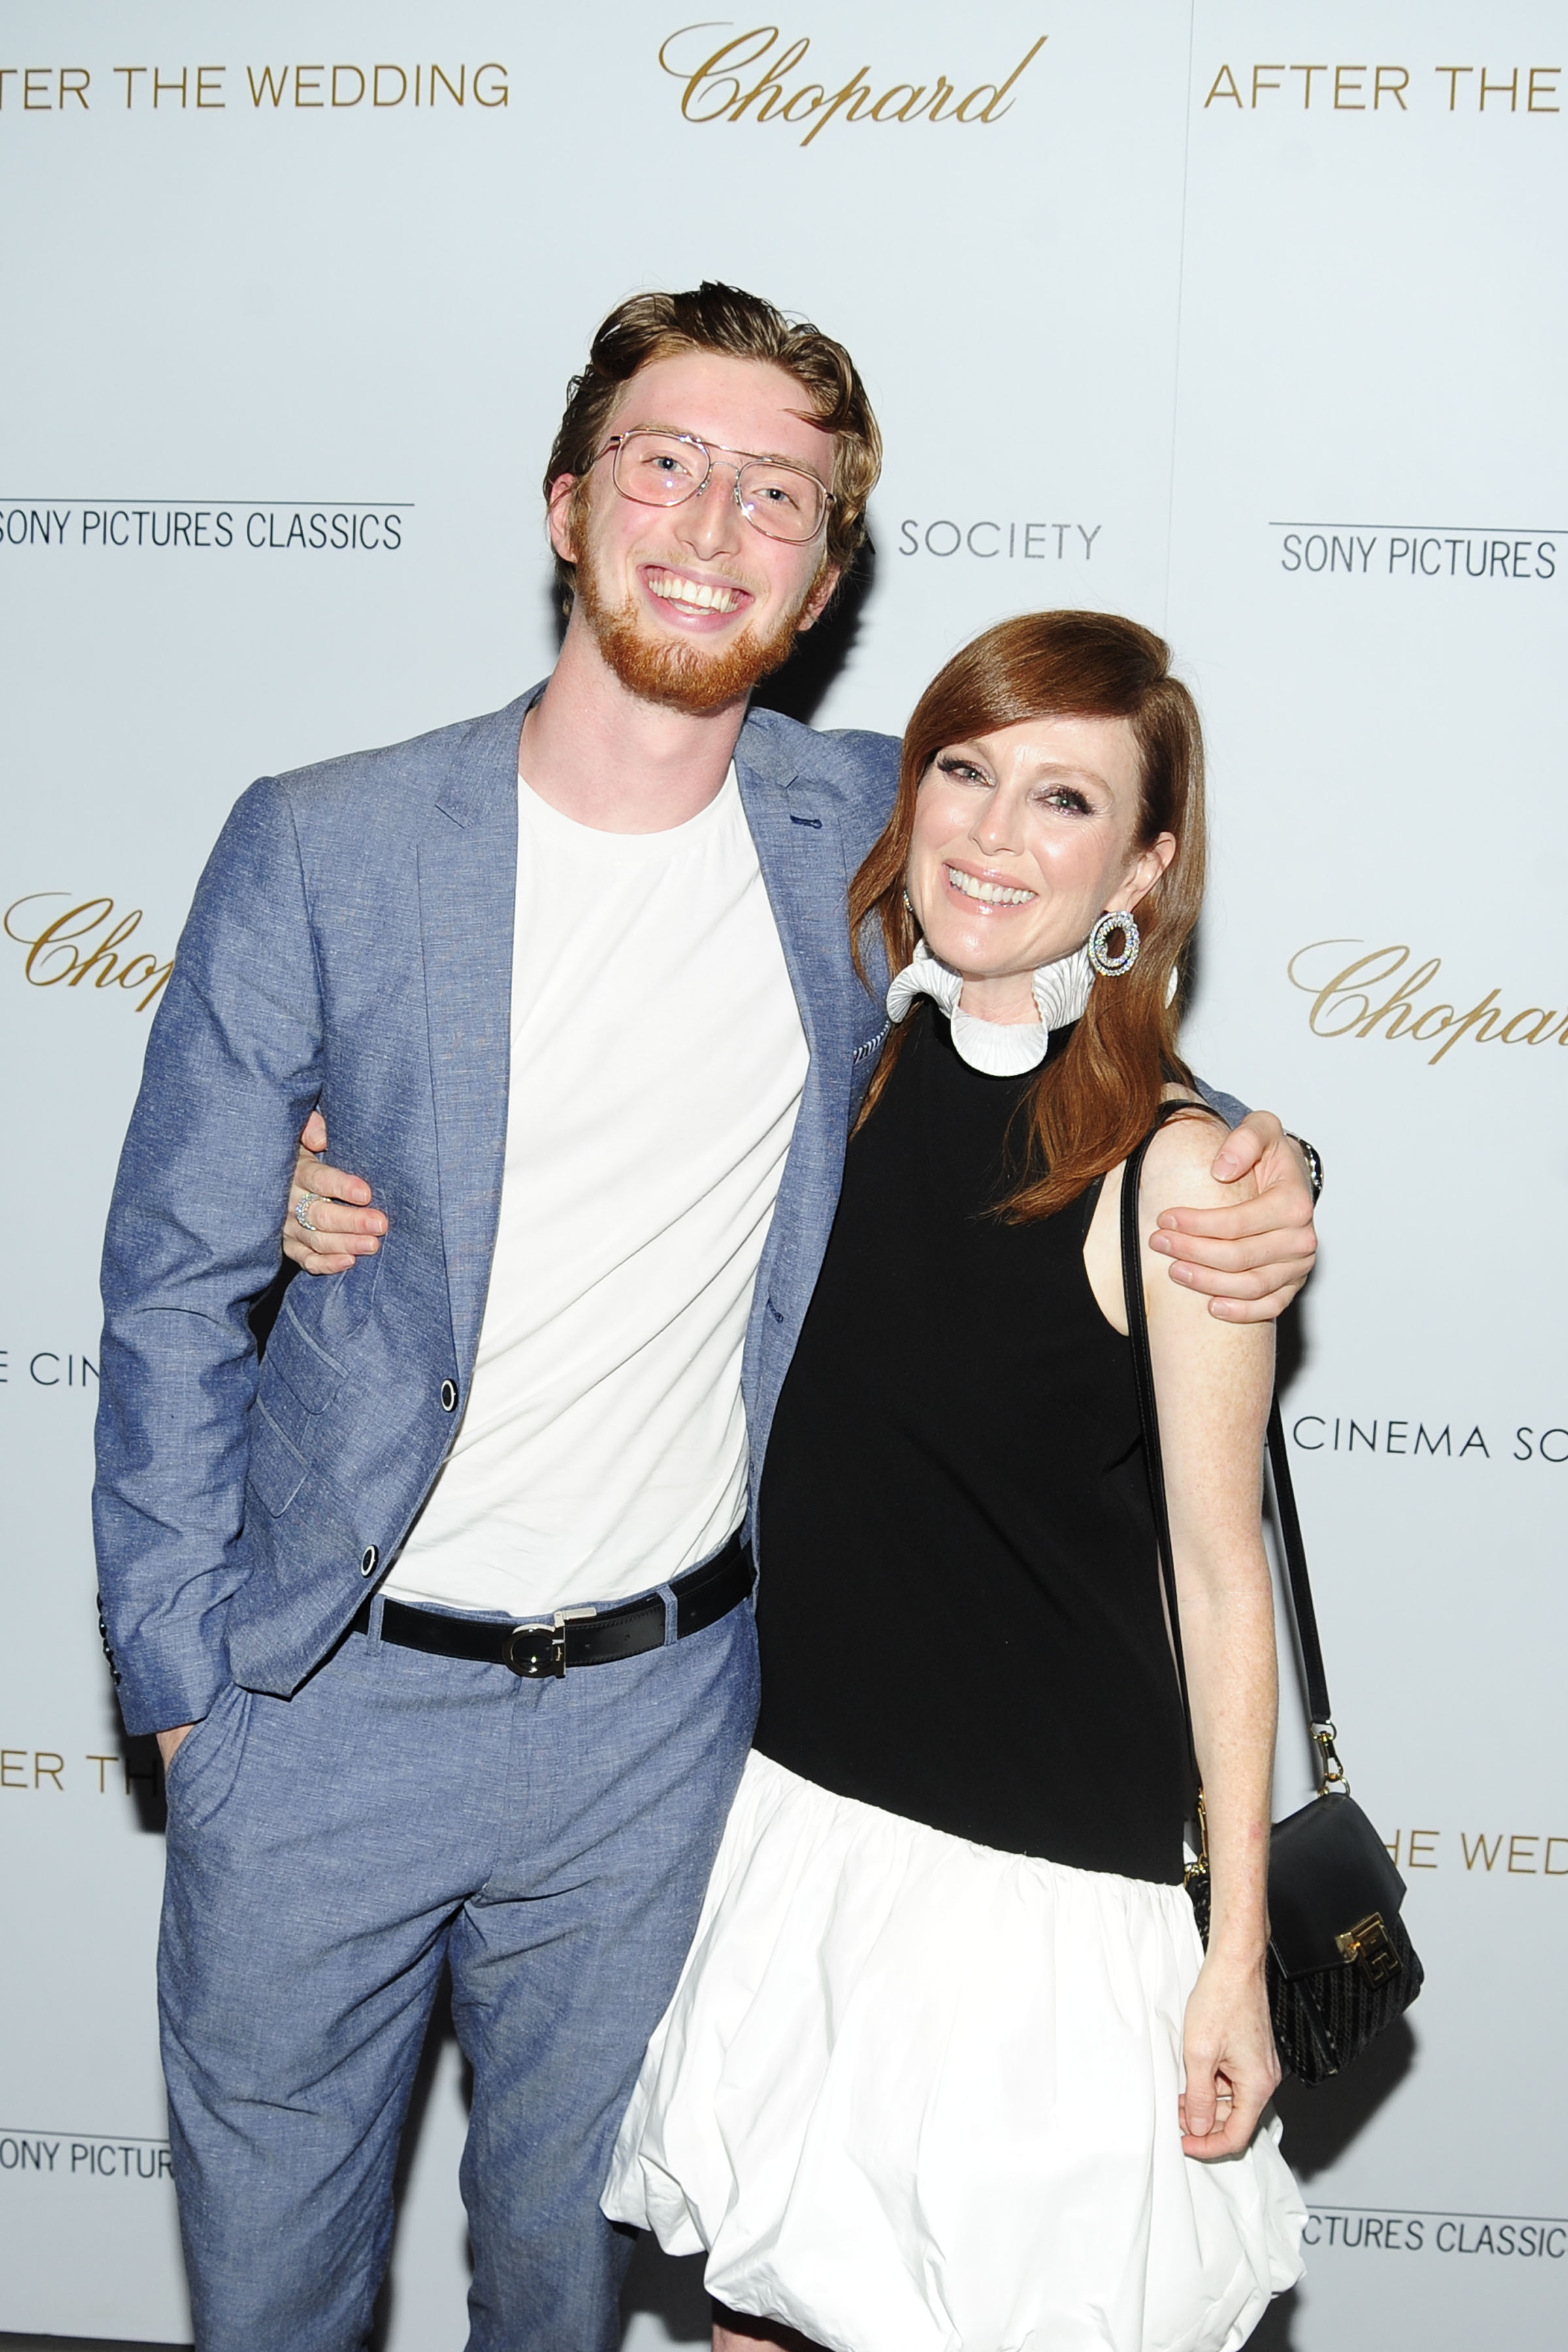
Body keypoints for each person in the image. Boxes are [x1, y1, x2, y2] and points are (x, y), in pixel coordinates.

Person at [94, 283, 1316, 2352]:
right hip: (318, 1708)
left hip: (667, 1738)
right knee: (272, 2304)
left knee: (569, 2296)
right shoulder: (325, 841)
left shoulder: (864, 822)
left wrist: (1266, 1166)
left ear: (824, 574)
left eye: (778, 494)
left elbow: (1079, 983)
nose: (712, 523)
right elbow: (165, 1293)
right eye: (666, 463)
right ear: (569, 504)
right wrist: (183, 1692)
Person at [598, 613, 1306, 2352]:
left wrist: (1235, 1951)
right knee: (754, 2323)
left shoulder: (1187, 1173)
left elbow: (1225, 1581)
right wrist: (325, 1199)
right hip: (796, 1831)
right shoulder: (821, 1074)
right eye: (965, 774)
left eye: (1065, 800)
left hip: (1042, 1901)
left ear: (1143, 864)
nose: (994, 835)